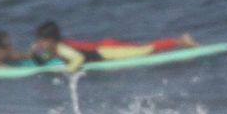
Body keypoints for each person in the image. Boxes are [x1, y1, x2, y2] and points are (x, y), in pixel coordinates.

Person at [29, 22, 198, 71]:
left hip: (107, 51)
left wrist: (69, 70)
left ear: (52, 40)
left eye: (42, 41)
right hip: (104, 47)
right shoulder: (54, 49)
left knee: (144, 51)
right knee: (141, 48)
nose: (40, 43)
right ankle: (180, 41)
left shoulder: (61, 48)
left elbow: (78, 58)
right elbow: (43, 61)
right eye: (39, 40)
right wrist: (35, 54)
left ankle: (181, 41)